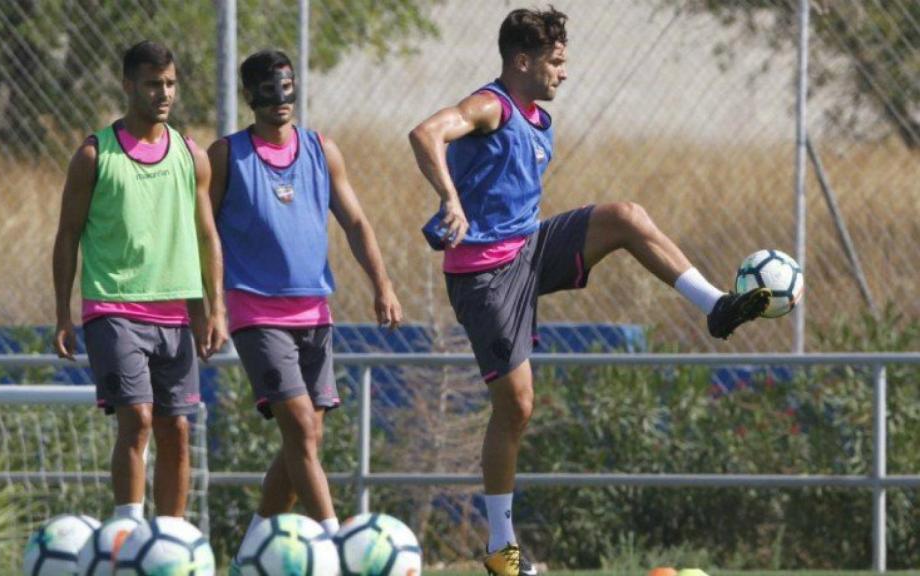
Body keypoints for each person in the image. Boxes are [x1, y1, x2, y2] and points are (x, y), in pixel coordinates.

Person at [408, 7, 770, 576]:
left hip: (528, 248)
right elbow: (426, 131)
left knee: (624, 216)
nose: (564, 73)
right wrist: (450, 199)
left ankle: (716, 305)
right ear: (522, 62)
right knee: (517, 406)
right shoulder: (492, 105)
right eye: (555, 62)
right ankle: (501, 550)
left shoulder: (536, 118)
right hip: (484, 276)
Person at [209, 49, 402, 540]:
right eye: (268, 90)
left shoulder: (322, 149)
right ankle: (337, 544)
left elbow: (356, 222)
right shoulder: (227, 156)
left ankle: (250, 551)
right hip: (256, 313)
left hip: (315, 312)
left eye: (287, 87)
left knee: (304, 440)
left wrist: (382, 285)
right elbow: (201, 232)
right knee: (300, 429)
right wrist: (208, 304)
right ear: (250, 97)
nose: (280, 99)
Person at [52, 40, 228, 521]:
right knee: (138, 420)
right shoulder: (94, 155)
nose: (164, 93)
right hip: (113, 308)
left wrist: (216, 310)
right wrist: (62, 315)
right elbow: (67, 236)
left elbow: (207, 235)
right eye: (153, 84)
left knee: (178, 430)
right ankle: (127, 535)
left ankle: (170, 542)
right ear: (128, 85)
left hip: (175, 314)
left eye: (170, 83)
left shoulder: (192, 156)